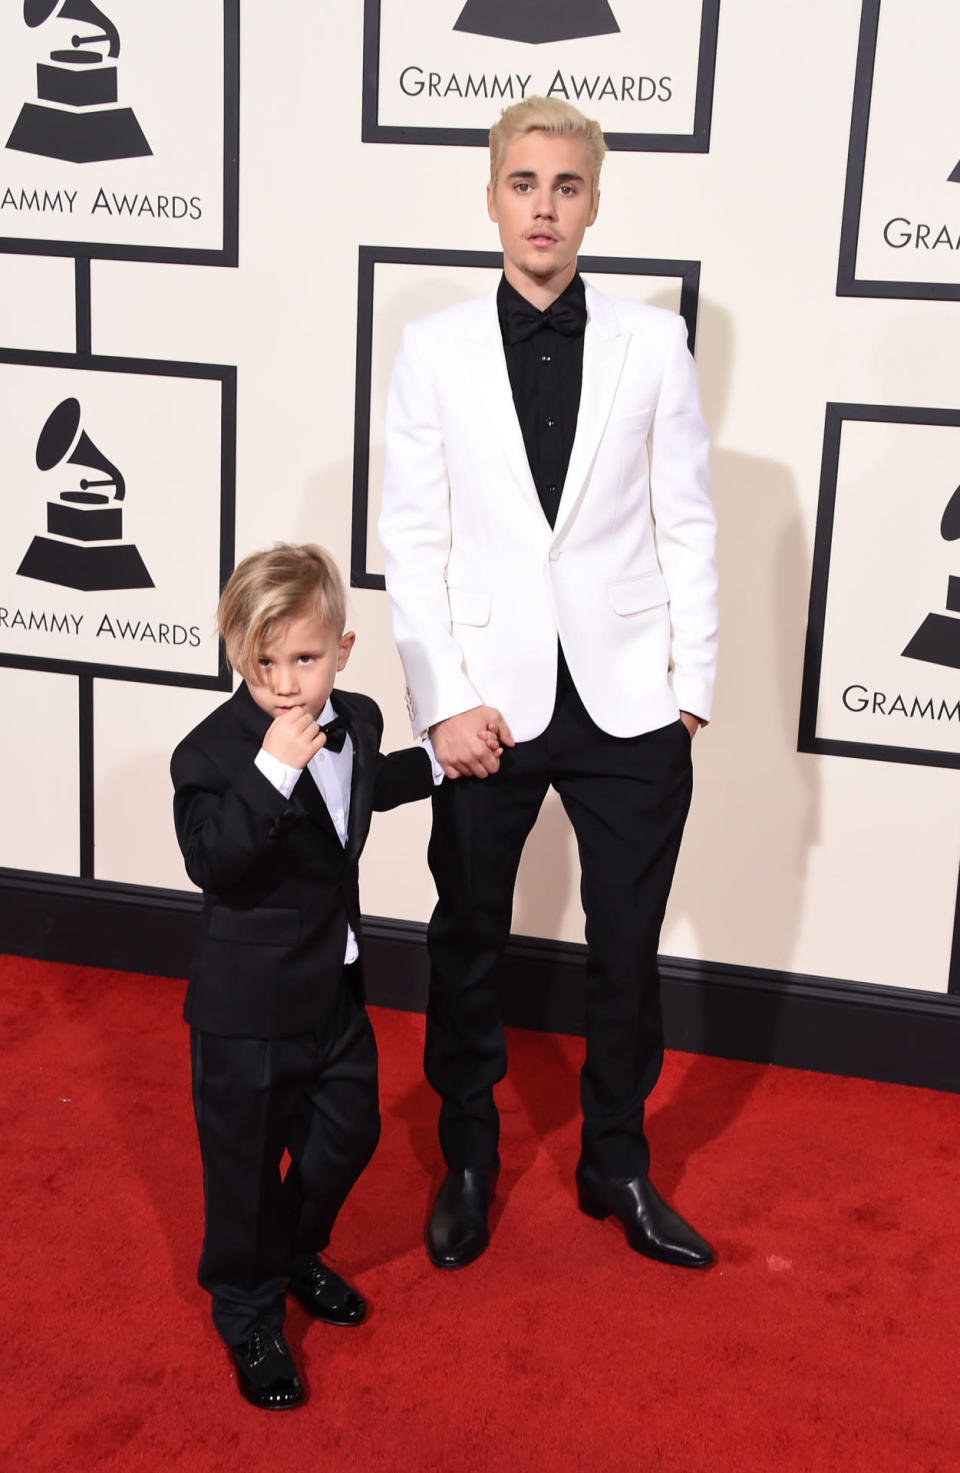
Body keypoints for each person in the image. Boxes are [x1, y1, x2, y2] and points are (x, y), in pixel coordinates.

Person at [379, 97, 718, 1273]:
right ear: (491, 196)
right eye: (524, 184)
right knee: (467, 935)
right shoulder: (431, 349)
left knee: (628, 948)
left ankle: (615, 1161)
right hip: (489, 705)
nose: (544, 207)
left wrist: (692, 688)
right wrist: (439, 700)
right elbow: (412, 543)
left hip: (629, 698)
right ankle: (469, 1158)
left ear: (592, 201)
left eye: (566, 187)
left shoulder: (652, 342)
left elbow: (688, 520)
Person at [171, 543, 461, 1408]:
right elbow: (213, 861)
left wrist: (447, 759)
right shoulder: (213, 752)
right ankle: (247, 1312)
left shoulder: (361, 718)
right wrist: (273, 769)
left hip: (333, 984)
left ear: (343, 648)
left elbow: (363, 791)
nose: (287, 683)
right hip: (244, 1009)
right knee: (245, 1170)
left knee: (352, 1129)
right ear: (237, 653)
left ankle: (292, 1250)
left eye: (304, 658)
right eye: (264, 662)